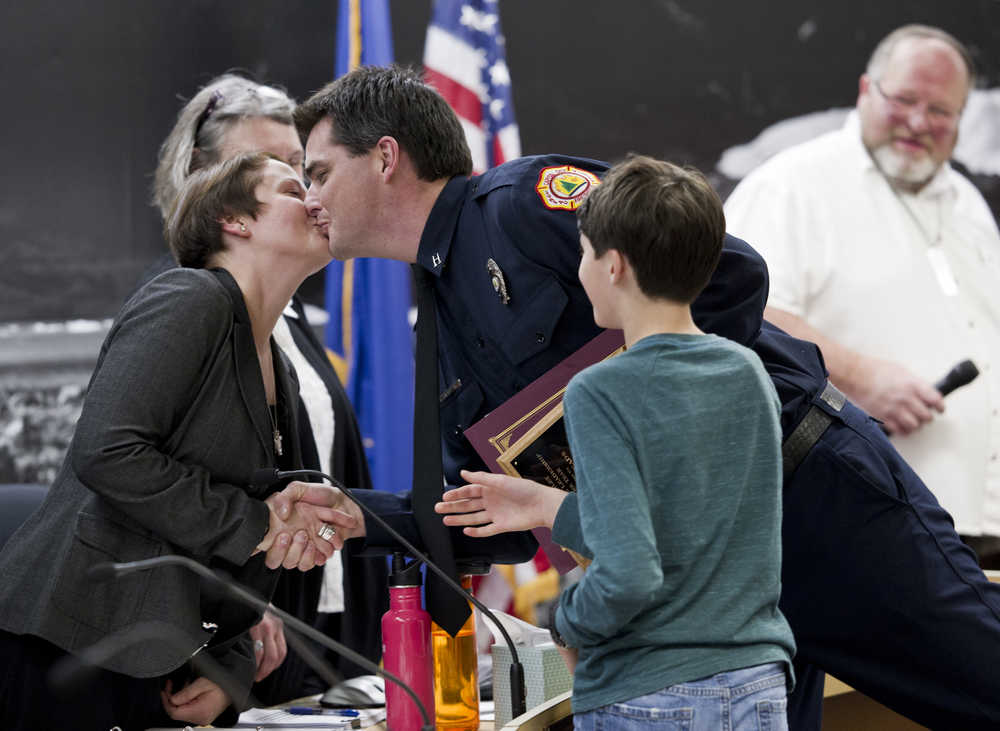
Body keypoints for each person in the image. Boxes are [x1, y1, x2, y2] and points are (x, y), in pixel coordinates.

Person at [294, 64, 1000, 729]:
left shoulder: (523, 204)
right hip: (709, 589)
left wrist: (651, 418)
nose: (308, 198)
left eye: (319, 172)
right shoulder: (440, 329)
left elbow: (732, 273)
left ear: (385, 157)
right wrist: (358, 515)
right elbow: (498, 514)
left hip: (810, 495)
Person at [0, 153, 357, 729]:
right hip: (66, 647)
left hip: (157, 662)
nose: (315, 201)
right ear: (235, 220)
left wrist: (231, 665)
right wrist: (259, 524)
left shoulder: (279, 366)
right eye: (294, 189)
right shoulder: (190, 297)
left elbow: (234, 535)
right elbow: (108, 450)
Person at [535, 155, 799, 727]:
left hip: (649, 692)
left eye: (583, 252)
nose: (579, 268)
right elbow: (688, 528)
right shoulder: (750, 372)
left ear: (614, 266)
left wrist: (564, 618)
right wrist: (549, 508)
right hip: (759, 681)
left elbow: (630, 574)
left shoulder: (597, 392)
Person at [150, 73, 388, 701]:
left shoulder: (288, 315)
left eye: (300, 166)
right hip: (247, 631)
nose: (309, 192)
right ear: (208, 180)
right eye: (276, 171)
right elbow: (138, 477)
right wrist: (230, 620)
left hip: (329, 615)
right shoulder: (182, 307)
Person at [724, 25, 1000, 558]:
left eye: (941, 111)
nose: (919, 122)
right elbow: (736, 316)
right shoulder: (792, 183)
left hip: (981, 523)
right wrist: (859, 376)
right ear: (865, 89)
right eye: (904, 100)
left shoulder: (967, 202)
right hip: (867, 524)